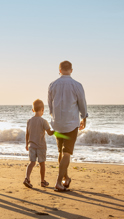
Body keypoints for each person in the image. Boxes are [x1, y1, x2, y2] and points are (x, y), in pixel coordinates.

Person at [48, 61, 88, 191]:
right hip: (71, 124)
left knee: (60, 151)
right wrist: (84, 117)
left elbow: (50, 105)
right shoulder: (77, 85)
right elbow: (82, 102)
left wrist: (53, 118)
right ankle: (59, 182)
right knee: (66, 153)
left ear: (59, 70)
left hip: (57, 124)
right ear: (71, 70)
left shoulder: (52, 85)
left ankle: (66, 178)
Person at [23, 99, 54, 188]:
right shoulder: (43, 121)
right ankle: (42, 181)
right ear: (42, 110)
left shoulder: (29, 121)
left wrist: (26, 144)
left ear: (33, 110)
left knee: (31, 162)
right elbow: (49, 133)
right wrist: (57, 131)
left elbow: (27, 134)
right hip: (41, 146)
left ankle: (27, 178)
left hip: (31, 145)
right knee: (42, 164)